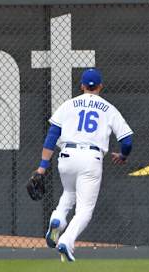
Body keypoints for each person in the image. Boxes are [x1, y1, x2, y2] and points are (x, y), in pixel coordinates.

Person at [35, 68, 133, 262]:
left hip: (67, 156)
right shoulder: (108, 108)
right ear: (100, 86)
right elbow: (127, 139)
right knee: (84, 210)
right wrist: (123, 155)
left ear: (81, 86)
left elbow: (52, 136)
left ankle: (58, 219)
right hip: (90, 158)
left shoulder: (69, 105)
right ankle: (67, 241)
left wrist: (42, 166)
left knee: (69, 192)